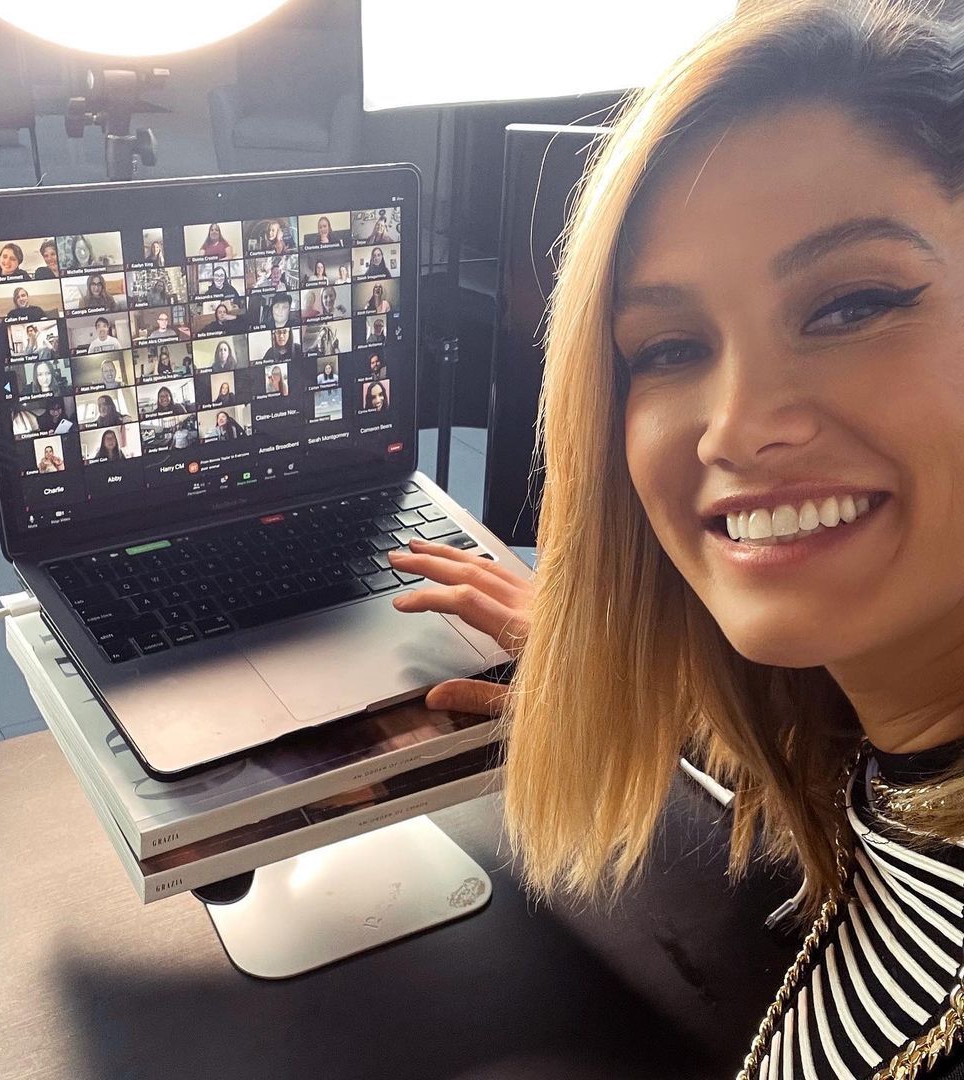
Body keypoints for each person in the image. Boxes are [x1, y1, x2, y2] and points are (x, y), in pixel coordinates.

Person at [387, 3, 964, 1078]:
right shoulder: (868, 751)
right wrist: (603, 655)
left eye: (853, 304)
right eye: (669, 347)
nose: (737, 427)